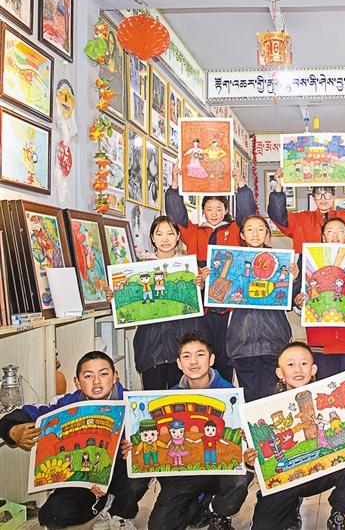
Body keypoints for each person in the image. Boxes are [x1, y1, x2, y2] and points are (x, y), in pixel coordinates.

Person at [0, 351, 150, 530]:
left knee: (138, 472)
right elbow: (31, 412)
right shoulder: (67, 404)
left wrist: (136, 448)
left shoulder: (132, 403)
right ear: (77, 382)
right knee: (51, 516)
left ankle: (120, 513)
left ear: (115, 376)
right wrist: (12, 431)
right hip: (83, 476)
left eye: (104, 374)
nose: (97, 381)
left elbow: (151, 437)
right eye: (88, 376)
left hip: (121, 474)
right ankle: (102, 503)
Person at [250, 342, 345, 530]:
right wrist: (249, 460)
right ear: (279, 373)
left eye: (304, 363)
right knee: (263, 525)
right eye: (290, 364)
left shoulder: (324, 397)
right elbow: (258, 460)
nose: (298, 369)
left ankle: (338, 515)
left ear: (313, 369)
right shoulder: (263, 409)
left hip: (321, 473)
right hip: (286, 480)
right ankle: (290, 512)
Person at [148, 332, 254, 530]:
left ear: (211, 359)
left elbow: (243, 442)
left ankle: (217, 511)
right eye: (186, 356)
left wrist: (245, 438)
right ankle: (198, 506)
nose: (194, 361)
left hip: (219, 471)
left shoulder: (230, 394)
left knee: (239, 479)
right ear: (179, 363)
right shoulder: (169, 396)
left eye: (200, 355)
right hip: (185, 472)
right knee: (159, 526)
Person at [165, 164, 257, 382]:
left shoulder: (235, 230)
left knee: (226, 354)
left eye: (218, 209)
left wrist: (241, 185)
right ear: (203, 211)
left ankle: (225, 390)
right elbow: (177, 216)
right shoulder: (195, 232)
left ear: (225, 210)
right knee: (202, 349)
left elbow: (247, 215)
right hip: (202, 303)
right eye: (209, 209)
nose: (214, 214)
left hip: (230, 303)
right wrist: (175, 185)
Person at [112, 215, 203, 390]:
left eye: (170, 233)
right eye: (159, 234)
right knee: (153, 399)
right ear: (153, 238)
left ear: (178, 236)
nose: (165, 239)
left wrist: (200, 287)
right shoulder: (139, 268)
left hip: (181, 346)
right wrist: (115, 296)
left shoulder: (190, 268)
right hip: (150, 348)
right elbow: (130, 307)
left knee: (181, 398)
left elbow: (195, 308)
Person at [226, 214, 297, 401]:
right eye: (249, 229)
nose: (255, 234)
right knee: (248, 400)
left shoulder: (281, 263)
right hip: (242, 343)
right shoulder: (233, 262)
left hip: (274, 342)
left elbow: (291, 302)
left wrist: (295, 279)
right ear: (242, 235)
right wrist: (210, 280)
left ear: (267, 233)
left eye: (260, 229)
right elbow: (219, 302)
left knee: (272, 399)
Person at [294, 218, 345, 379]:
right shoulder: (307, 264)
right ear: (323, 237)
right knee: (325, 389)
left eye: (340, 231)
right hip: (320, 340)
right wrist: (299, 304)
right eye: (330, 231)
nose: (335, 236)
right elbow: (301, 304)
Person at [267, 165, 345, 253]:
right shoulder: (300, 219)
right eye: (318, 195)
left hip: (342, 268)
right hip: (308, 270)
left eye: (327, 194)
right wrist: (279, 184)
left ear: (333, 197)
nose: (323, 199)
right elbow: (277, 216)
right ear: (313, 198)